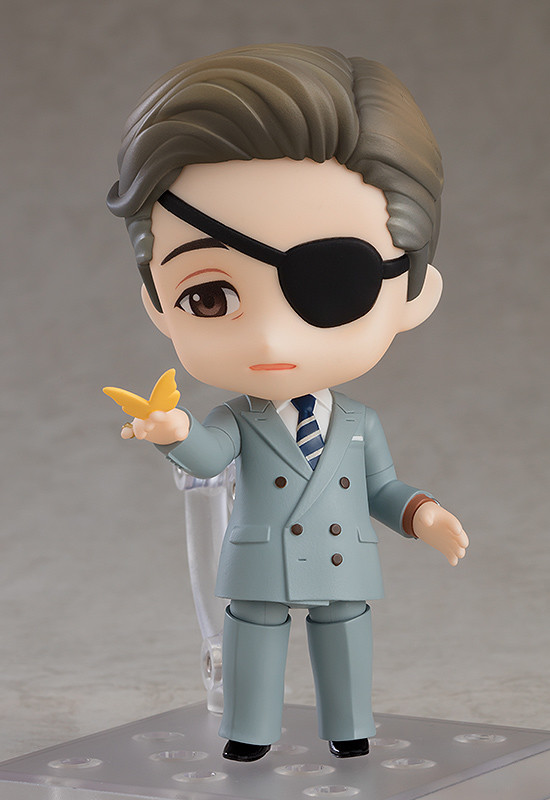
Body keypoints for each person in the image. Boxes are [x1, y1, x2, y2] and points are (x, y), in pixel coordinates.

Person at [107, 43, 469, 762]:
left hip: (340, 559)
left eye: (333, 285)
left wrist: (422, 513)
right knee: (254, 638)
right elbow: (208, 457)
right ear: (157, 301)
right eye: (209, 297)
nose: (271, 337)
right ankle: (248, 733)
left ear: (414, 292)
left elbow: (380, 488)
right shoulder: (236, 419)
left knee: (344, 635)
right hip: (260, 562)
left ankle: (351, 729)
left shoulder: (359, 423)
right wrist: (174, 430)